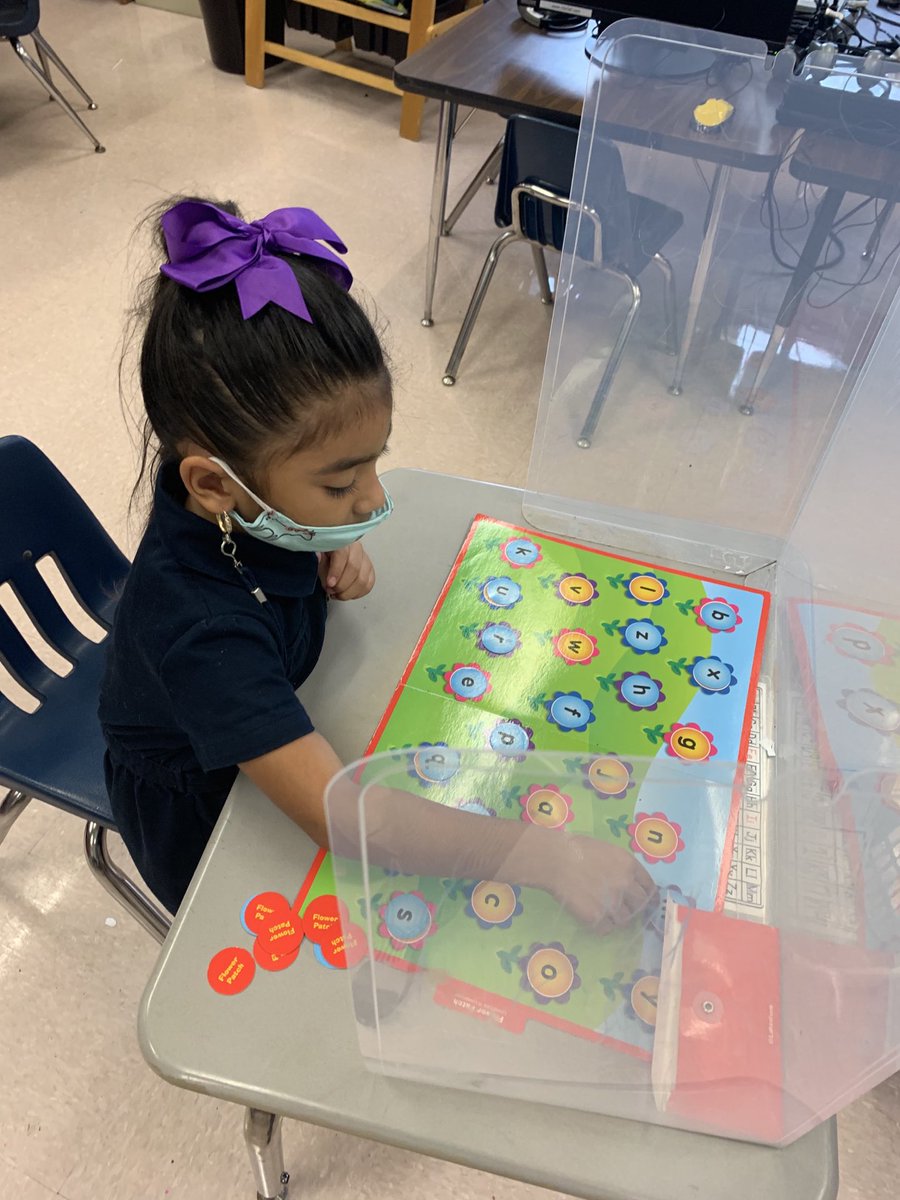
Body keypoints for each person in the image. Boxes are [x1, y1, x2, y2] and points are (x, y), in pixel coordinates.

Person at [100, 195, 655, 930]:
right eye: (339, 484)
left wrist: (334, 535)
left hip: (278, 709)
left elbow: (297, 518)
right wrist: (540, 856)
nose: (371, 499)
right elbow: (346, 822)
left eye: (371, 466)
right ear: (213, 486)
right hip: (206, 805)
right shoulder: (202, 635)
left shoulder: (249, 505)